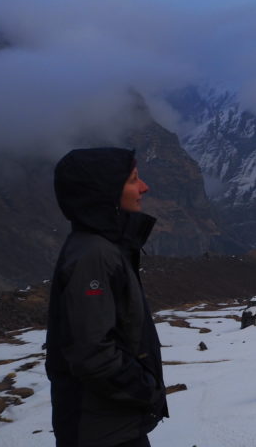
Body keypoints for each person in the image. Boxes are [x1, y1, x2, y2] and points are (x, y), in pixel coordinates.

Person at [46, 147, 168, 447]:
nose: (144, 187)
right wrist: (145, 389)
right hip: (102, 431)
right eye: (134, 180)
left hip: (113, 424)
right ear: (106, 192)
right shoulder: (94, 256)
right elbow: (93, 353)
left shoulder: (102, 247)